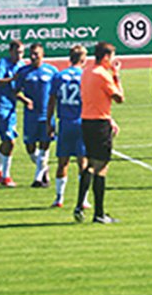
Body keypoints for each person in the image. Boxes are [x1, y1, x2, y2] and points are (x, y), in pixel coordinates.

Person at [75, 42, 124, 224]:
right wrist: (116, 76)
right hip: (100, 123)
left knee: (90, 163)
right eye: (111, 57)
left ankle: (79, 205)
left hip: (86, 120)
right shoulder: (103, 75)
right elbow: (119, 98)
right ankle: (99, 213)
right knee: (101, 167)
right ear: (105, 57)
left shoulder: (87, 71)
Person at [47, 45, 91, 208]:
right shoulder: (85, 76)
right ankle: (83, 199)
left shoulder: (59, 76)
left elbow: (52, 100)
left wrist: (49, 122)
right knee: (83, 162)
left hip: (65, 123)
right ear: (83, 59)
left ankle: (59, 198)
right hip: (81, 122)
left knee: (62, 162)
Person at [15, 43, 59, 188]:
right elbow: (15, 91)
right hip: (30, 117)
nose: (33, 57)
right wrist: (25, 100)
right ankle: (44, 168)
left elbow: (58, 91)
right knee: (30, 147)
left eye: (36, 54)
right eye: (31, 54)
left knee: (45, 145)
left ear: (42, 55)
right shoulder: (23, 72)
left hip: (47, 116)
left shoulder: (52, 71)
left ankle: (38, 179)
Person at [0, 40, 25, 187]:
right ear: (10, 52)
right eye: (17, 52)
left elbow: (18, 89)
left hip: (12, 108)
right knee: (10, 141)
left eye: (21, 52)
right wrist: (12, 79)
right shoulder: (4, 63)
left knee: (7, 140)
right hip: (1, 107)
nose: (19, 55)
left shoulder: (22, 65)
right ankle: (5, 176)